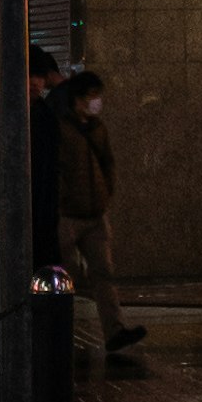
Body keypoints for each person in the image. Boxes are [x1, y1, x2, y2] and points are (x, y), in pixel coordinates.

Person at [59, 59, 149, 368]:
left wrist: (105, 192)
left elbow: (108, 163)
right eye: (93, 95)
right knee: (66, 277)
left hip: (95, 213)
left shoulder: (98, 129)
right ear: (79, 98)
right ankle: (60, 335)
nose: (98, 101)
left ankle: (115, 330)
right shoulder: (62, 129)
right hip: (67, 215)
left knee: (104, 273)